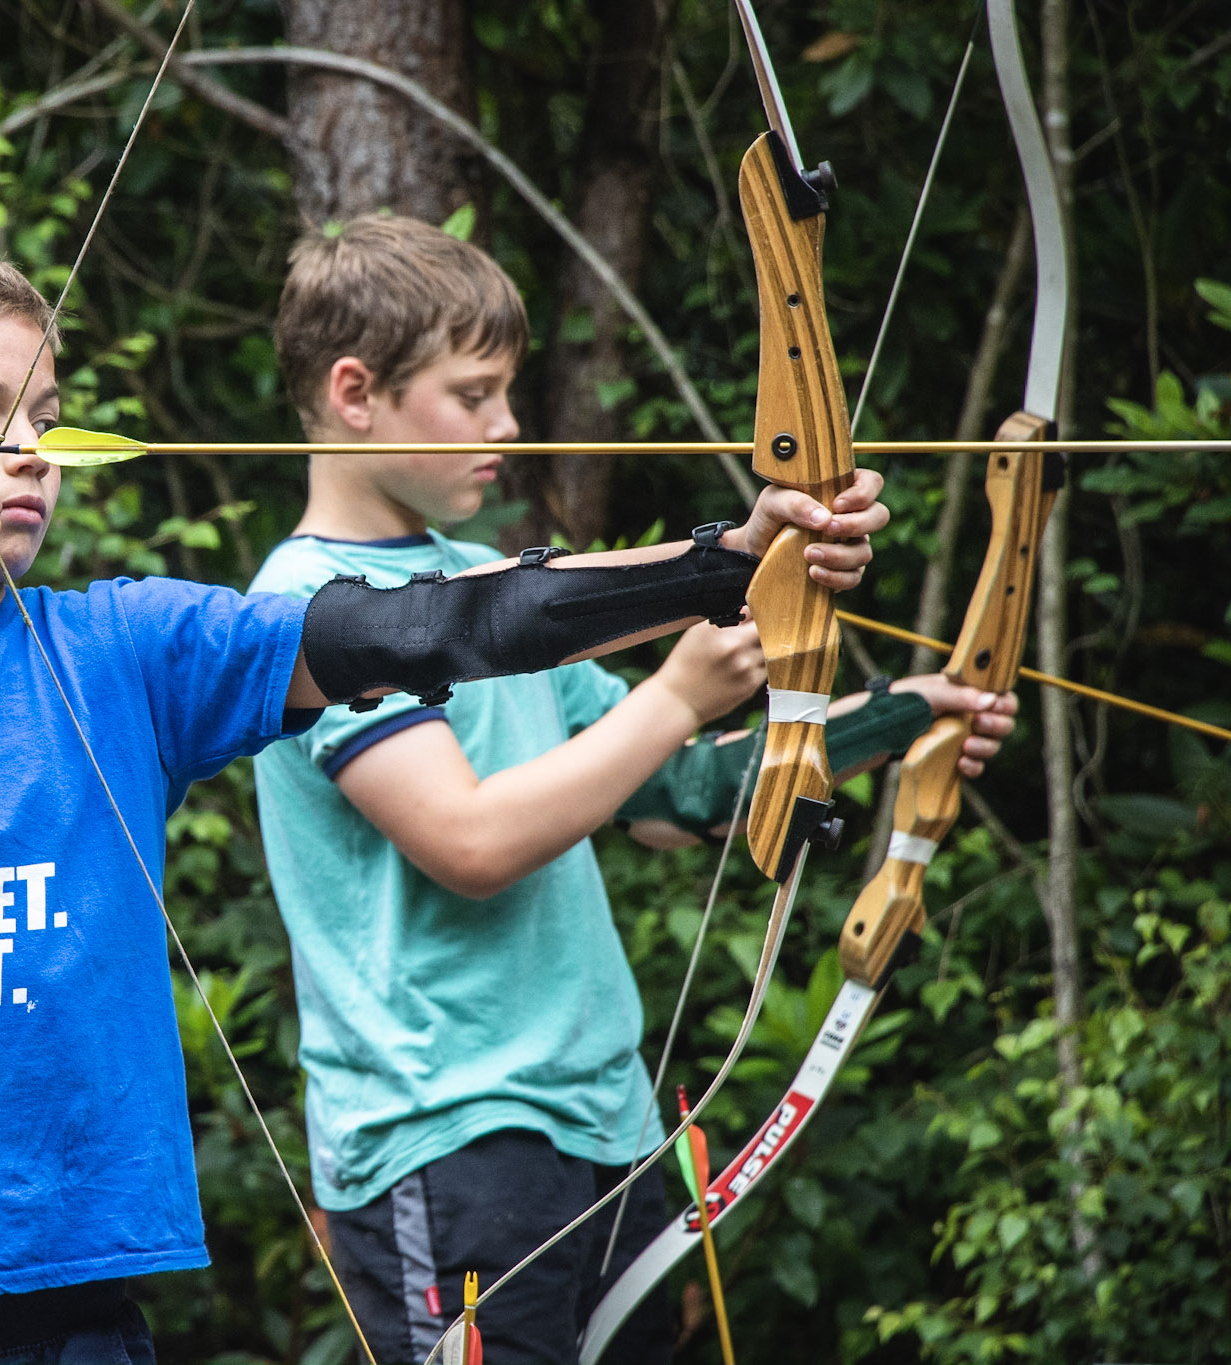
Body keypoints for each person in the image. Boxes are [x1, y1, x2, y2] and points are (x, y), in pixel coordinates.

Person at [0, 249, 885, 1365]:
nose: (28, 447)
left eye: (41, 413)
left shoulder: (129, 650)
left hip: (64, 1304)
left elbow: (445, 626)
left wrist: (725, 558)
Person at [249, 215, 1016, 1365]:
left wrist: (910, 712)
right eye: (472, 395)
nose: (506, 426)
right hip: (444, 1140)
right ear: (354, 393)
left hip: (602, 1127)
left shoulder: (489, 587)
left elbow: (685, 793)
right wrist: (675, 689)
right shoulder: (310, 614)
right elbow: (466, 841)